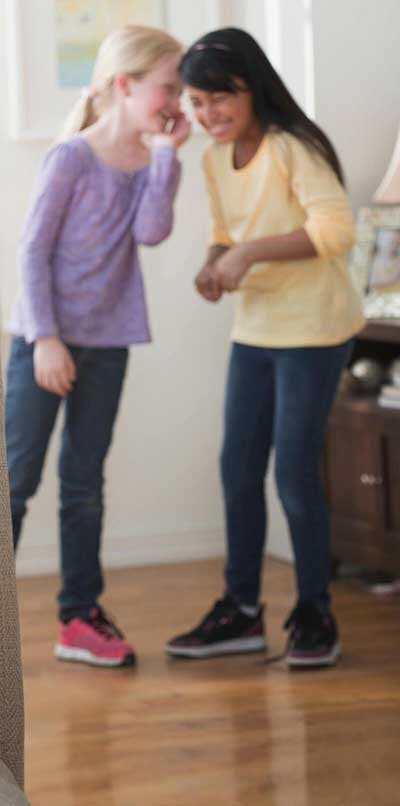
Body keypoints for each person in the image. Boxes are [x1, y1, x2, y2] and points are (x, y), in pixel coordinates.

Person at [166, 28, 364, 669]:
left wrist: (249, 253)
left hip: (313, 330)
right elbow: (225, 235)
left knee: (295, 474)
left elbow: (335, 232)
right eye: (196, 103)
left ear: (253, 88)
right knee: (237, 469)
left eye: (219, 99)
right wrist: (214, 264)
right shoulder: (212, 160)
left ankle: (315, 614)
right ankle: (242, 612)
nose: (207, 115)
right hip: (256, 329)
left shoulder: (292, 148)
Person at [5, 25, 188, 668]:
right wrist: (47, 338)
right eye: (169, 86)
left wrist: (167, 155)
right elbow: (31, 251)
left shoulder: (153, 160)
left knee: (84, 483)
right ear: (125, 84)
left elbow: (152, 230)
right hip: (45, 341)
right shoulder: (72, 158)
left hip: (108, 343)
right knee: (15, 480)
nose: (178, 99)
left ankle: (79, 615)